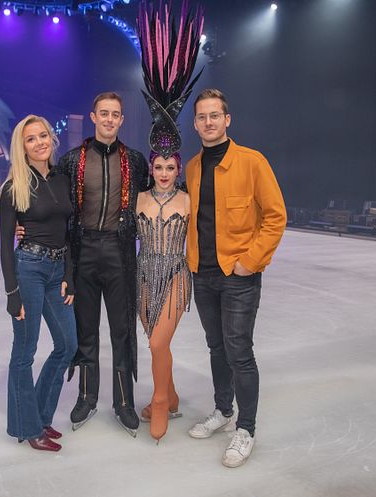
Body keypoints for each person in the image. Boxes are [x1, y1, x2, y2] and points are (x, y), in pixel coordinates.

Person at [185, 89, 287, 467]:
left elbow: (275, 215)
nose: (208, 122)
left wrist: (251, 261)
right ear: (195, 123)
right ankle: (222, 411)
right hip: (203, 273)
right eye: (201, 117)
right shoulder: (193, 167)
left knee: (239, 351)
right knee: (216, 347)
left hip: (238, 275)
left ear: (227, 119)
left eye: (215, 115)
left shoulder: (251, 162)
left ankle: (246, 428)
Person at [55, 92, 149, 437]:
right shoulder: (71, 160)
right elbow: (52, 204)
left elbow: (157, 196)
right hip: (83, 254)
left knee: (122, 331)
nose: (110, 119)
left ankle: (124, 402)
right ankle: (86, 397)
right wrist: (24, 224)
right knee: (86, 332)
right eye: (104, 113)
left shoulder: (136, 161)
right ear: (93, 117)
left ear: (122, 120)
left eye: (116, 114)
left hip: (119, 253)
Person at [0, 115, 78, 452]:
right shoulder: (13, 186)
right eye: (31, 139)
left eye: (43, 135)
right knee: (25, 352)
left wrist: (70, 278)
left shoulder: (62, 179)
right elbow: (4, 244)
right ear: (23, 146)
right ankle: (26, 427)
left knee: (67, 345)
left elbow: (69, 231)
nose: (40, 142)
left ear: (52, 139)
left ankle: (42, 417)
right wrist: (12, 293)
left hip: (57, 271)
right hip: (28, 269)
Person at [135, 152, 191, 443]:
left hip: (175, 275)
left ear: (178, 169)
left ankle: (159, 401)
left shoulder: (187, 200)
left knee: (158, 341)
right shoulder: (138, 198)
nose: (164, 173)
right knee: (157, 344)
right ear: (151, 168)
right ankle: (172, 396)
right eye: (159, 167)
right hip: (143, 275)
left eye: (170, 167)